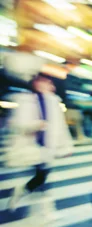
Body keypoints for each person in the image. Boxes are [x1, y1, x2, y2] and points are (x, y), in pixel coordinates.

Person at [7, 74, 73, 213]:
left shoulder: (54, 101)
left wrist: (67, 145)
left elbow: (61, 125)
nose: (49, 86)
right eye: (45, 82)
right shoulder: (26, 100)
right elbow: (18, 124)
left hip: (48, 145)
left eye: (50, 83)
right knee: (42, 175)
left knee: (43, 175)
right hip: (33, 145)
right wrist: (36, 125)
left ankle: (28, 196)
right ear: (36, 83)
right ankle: (42, 206)